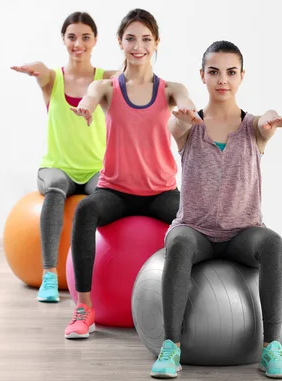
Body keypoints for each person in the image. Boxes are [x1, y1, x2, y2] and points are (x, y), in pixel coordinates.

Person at [150, 40, 282, 379]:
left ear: (242, 76)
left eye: (231, 72)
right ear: (202, 75)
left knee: (273, 243)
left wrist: (272, 117)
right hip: (195, 230)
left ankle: (271, 348)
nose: (222, 80)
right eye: (214, 72)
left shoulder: (254, 128)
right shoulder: (189, 127)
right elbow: (175, 127)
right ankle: (171, 347)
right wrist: (183, 118)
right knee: (179, 243)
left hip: (242, 233)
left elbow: (264, 122)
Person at [64, 8, 196, 339]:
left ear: (157, 43)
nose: (138, 46)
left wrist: (186, 111)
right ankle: (84, 308)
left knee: (196, 222)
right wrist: (86, 106)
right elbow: (92, 95)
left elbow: (184, 99)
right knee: (84, 210)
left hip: (161, 193)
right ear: (120, 42)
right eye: (131, 38)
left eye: (146, 39)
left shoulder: (170, 89)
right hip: (116, 193)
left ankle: (191, 306)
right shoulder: (107, 88)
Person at [11, 12, 118, 304]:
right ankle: (48, 274)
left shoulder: (104, 80)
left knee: (108, 197)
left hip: (95, 168)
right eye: (72, 37)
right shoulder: (53, 79)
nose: (78, 43)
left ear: (95, 41)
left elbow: (128, 77)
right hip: (56, 166)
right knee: (56, 187)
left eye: (85, 37)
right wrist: (37, 69)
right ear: (63, 40)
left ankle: (100, 276)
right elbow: (43, 72)